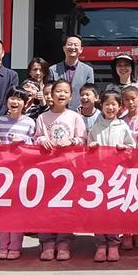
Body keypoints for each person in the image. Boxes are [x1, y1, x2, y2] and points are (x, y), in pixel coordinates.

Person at [34, 79, 88, 261]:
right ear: (51, 94)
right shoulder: (42, 117)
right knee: (45, 206)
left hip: (68, 169)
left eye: (66, 92)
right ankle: (47, 242)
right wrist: (42, 140)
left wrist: (71, 142)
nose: (61, 94)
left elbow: (83, 140)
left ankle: (64, 242)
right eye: (58, 91)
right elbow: (36, 137)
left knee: (65, 207)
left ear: (71, 97)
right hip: (47, 169)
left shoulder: (75, 117)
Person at [87, 89, 136, 263]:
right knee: (99, 211)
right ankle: (101, 244)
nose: (110, 108)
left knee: (114, 210)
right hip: (99, 178)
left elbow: (132, 148)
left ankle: (114, 243)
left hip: (117, 175)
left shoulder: (123, 127)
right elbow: (87, 148)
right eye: (107, 104)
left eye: (113, 104)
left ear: (120, 107)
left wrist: (125, 148)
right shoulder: (96, 127)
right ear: (101, 106)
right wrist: (92, 147)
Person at [0, 88, 36, 260]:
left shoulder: (30, 122)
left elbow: (35, 145)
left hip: (21, 172)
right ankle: (3, 246)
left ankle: (15, 246)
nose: (15, 102)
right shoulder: (0, 121)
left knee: (17, 211)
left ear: (25, 103)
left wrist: (24, 140)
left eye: (19, 99)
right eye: (12, 98)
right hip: (1, 172)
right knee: (2, 210)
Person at [48, 35, 94, 109]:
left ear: (81, 49)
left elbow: (90, 93)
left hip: (80, 111)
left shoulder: (88, 70)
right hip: (58, 110)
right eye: (69, 44)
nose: (72, 47)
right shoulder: (53, 69)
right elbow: (50, 92)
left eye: (76, 45)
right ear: (64, 48)